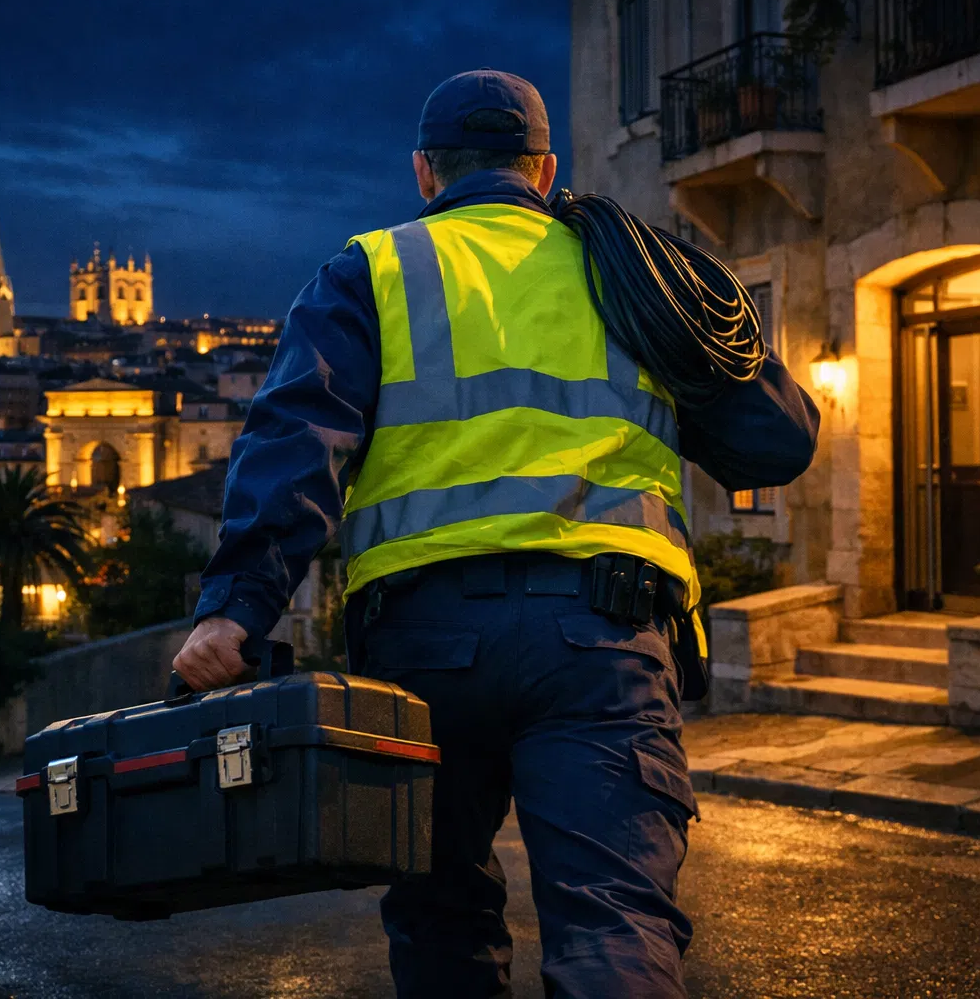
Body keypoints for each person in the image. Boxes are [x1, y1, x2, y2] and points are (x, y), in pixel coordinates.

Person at [172, 69, 819, 998]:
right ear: (546, 169)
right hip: (603, 641)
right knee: (614, 920)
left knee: (443, 921)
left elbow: (294, 441)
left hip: (422, 652)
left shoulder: (372, 270)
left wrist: (235, 610)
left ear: (425, 173)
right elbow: (778, 442)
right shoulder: (631, 270)